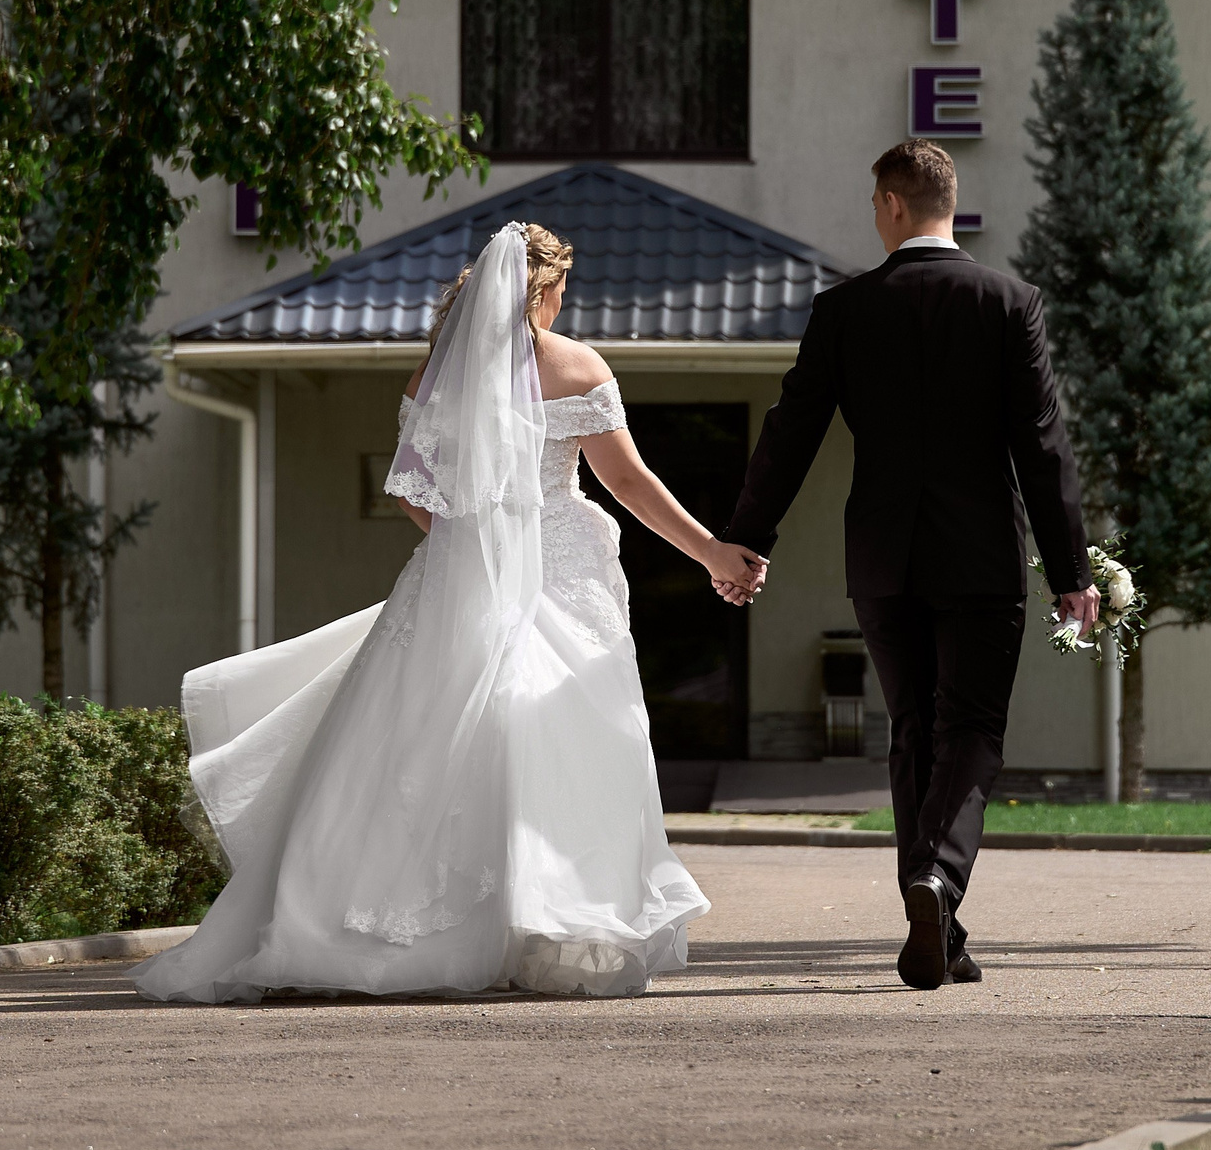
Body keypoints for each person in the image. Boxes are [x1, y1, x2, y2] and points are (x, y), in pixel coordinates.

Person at [134, 221, 762, 1002]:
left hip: (459, 574)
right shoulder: (575, 365)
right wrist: (711, 551)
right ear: (542, 290)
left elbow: (411, 491)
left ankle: (389, 929)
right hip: (562, 571)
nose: (565, 303)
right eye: (562, 289)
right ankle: (548, 928)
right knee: (562, 735)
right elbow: (627, 483)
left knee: (418, 737)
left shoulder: (437, 374)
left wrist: (474, 547)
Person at [715, 141, 1096, 990]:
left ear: (891, 203)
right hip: (982, 557)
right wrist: (1071, 569)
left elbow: (790, 432)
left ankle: (938, 925)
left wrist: (747, 538)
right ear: (946, 202)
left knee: (915, 730)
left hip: (884, 559)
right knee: (971, 729)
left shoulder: (844, 310)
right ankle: (938, 878)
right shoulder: (1010, 303)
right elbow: (1042, 445)